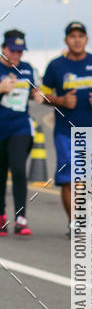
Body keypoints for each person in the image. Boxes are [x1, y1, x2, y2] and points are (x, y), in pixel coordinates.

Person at [41, 22, 92, 236]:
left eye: (81, 36)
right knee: (69, 179)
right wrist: (60, 100)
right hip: (65, 131)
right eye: (72, 36)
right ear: (66, 40)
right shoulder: (56, 66)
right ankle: (73, 222)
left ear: (86, 39)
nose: (77, 39)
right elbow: (42, 95)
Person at [0, 29, 44, 236]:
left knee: (18, 169)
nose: (17, 55)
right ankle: (1, 217)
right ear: (4, 49)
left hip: (20, 127)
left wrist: (39, 95)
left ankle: (21, 218)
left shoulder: (28, 70)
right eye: (14, 50)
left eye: (21, 51)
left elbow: (38, 90)